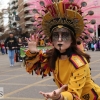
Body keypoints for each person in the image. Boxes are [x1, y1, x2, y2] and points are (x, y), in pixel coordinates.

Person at [23, 0, 100, 99]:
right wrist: (33, 51)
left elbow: (74, 94)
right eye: (56, 35)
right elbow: (36, 66)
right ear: (51, 40)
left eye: (65, 35)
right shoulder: (53, 56)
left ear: (72, 39)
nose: (59, 39)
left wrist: (60, 97)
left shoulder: (79, 64)